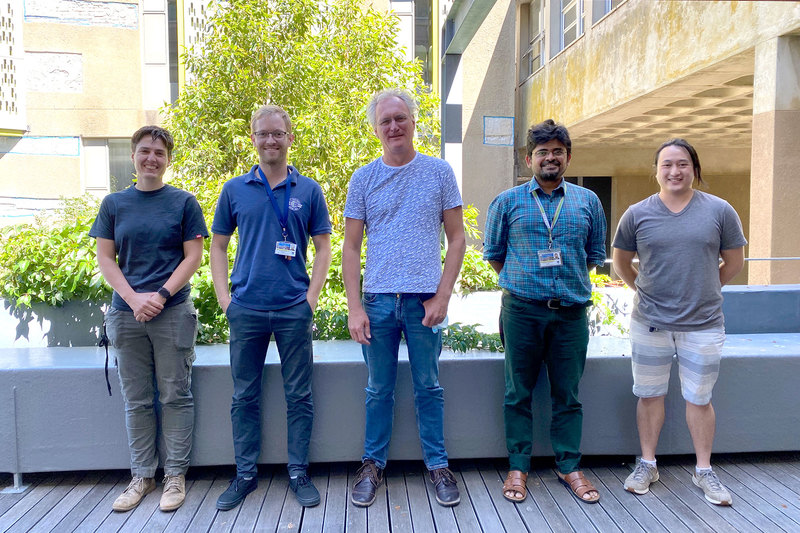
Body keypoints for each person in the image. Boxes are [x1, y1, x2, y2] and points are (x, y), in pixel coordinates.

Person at [342, 88, 466, 508]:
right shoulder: (363, 179)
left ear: (414, 121)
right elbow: (351, 248)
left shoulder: (439, 172)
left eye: (400, 118)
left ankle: (437, 465)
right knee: (378, 389)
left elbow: (457, 238)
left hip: (424, 302)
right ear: (376, 130)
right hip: (377, 303)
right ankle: (372, 465)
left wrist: (443, 296)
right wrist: (355, 307)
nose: (393, 126)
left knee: (429, 386)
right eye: (385, 121)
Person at [210, 105, 332, 510]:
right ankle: (245, 475)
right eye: (263, 134)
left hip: (293, 309)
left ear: (290, 138)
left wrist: (310, 299)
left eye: (278, 133)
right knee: (243, 396)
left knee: (300, 396)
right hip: (245, 309)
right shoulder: (234, 189)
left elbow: (324, 248)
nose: (270, 140)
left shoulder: (309, 191)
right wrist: (225, 299)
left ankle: (298, 472)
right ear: (253, 139)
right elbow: (218, 245)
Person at [613, 138, 746, 506]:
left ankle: (704, 470)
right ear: (656, 171)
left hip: (703, 323)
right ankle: (647, 464)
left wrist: (705, 287)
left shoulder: (720, 211)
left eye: (683, 164)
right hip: (650, 322)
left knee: (699, 399)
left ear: (695, 169)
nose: (675, 171)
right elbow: (622, 262)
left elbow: (734, 262)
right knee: (649, 394)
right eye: (667, 164)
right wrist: (643, 288)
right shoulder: (637, 213)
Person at [484, 119, 606, 505]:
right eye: (542, 152)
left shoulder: (588, 202)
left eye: (557, 151)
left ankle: (569, 465)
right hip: (522, 312)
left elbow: (593, 256)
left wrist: (561, 285)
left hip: (571, 314)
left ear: (567, 157)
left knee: (567, 394)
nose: (549, 157)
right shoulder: (507, 202)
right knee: (517, 392)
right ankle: (518, 466)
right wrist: (528, 286)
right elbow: (494, 255)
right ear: (528, 158)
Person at [90, 125, 207, 512]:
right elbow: (106, 259)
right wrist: (133, 299)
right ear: (133, 155)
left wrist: (158, 297)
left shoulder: (184, 202)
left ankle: (175, 476)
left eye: (159, 152)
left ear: (168, 159)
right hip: (126, 315)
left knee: (175, 395)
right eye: (144, 151)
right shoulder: (113, 204)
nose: (151, 158)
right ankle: (141, 476)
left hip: (172, 312)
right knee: (136, 399)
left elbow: (194, 257)